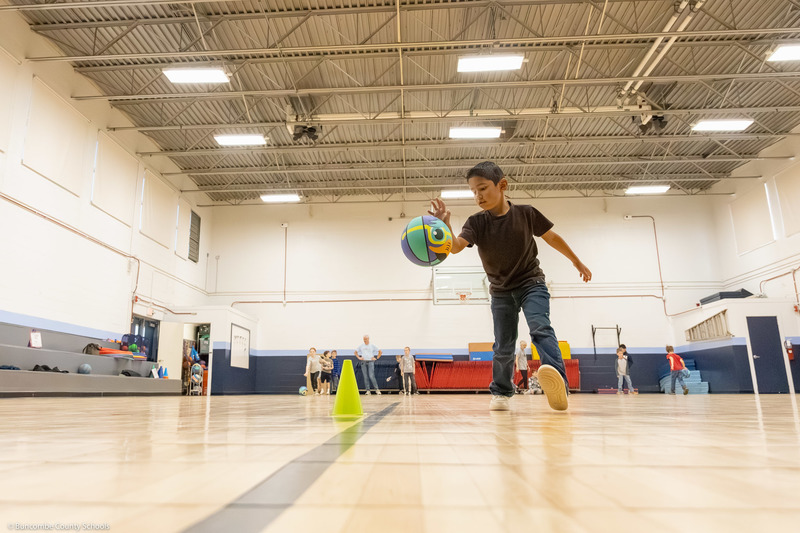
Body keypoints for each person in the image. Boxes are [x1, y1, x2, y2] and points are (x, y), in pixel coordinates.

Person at [429, 161, 591, 411]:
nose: (478, 196)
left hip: (531, 283)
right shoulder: (477, 222)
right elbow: (457, 247)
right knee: (503, 345)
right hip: (501, 292)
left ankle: (558, 383)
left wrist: (577, 261)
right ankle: (502, 393)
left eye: (482, 188)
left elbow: (552, 237)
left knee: (540, 328)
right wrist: (444, 226)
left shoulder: (526, 213)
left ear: (502, 185)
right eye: (473, 191)